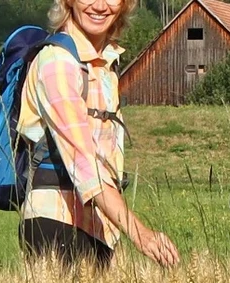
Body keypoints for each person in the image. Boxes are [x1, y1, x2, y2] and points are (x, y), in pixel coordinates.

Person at [18, 0, 179, 267]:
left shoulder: (104, 64)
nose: (100, 5)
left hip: (99, 227)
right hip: (56, 222)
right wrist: (141, 234)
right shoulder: (57, 63)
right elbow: (85, 163)